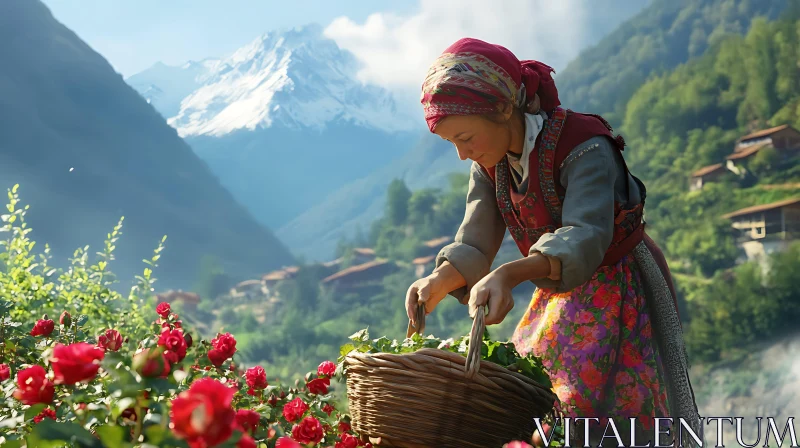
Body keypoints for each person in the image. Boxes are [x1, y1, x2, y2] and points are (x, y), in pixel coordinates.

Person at [405, 38, 704, 447]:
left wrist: (509, 274)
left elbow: (585, 235)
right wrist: (439, 279)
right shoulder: (489, 164)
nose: (462, 154)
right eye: (452, 143)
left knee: (596, 408)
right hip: (559, 290)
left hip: (617, 286)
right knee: (538, 395)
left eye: (466, 137)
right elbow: (476, 239)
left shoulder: (584, 146)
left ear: (503, 109)